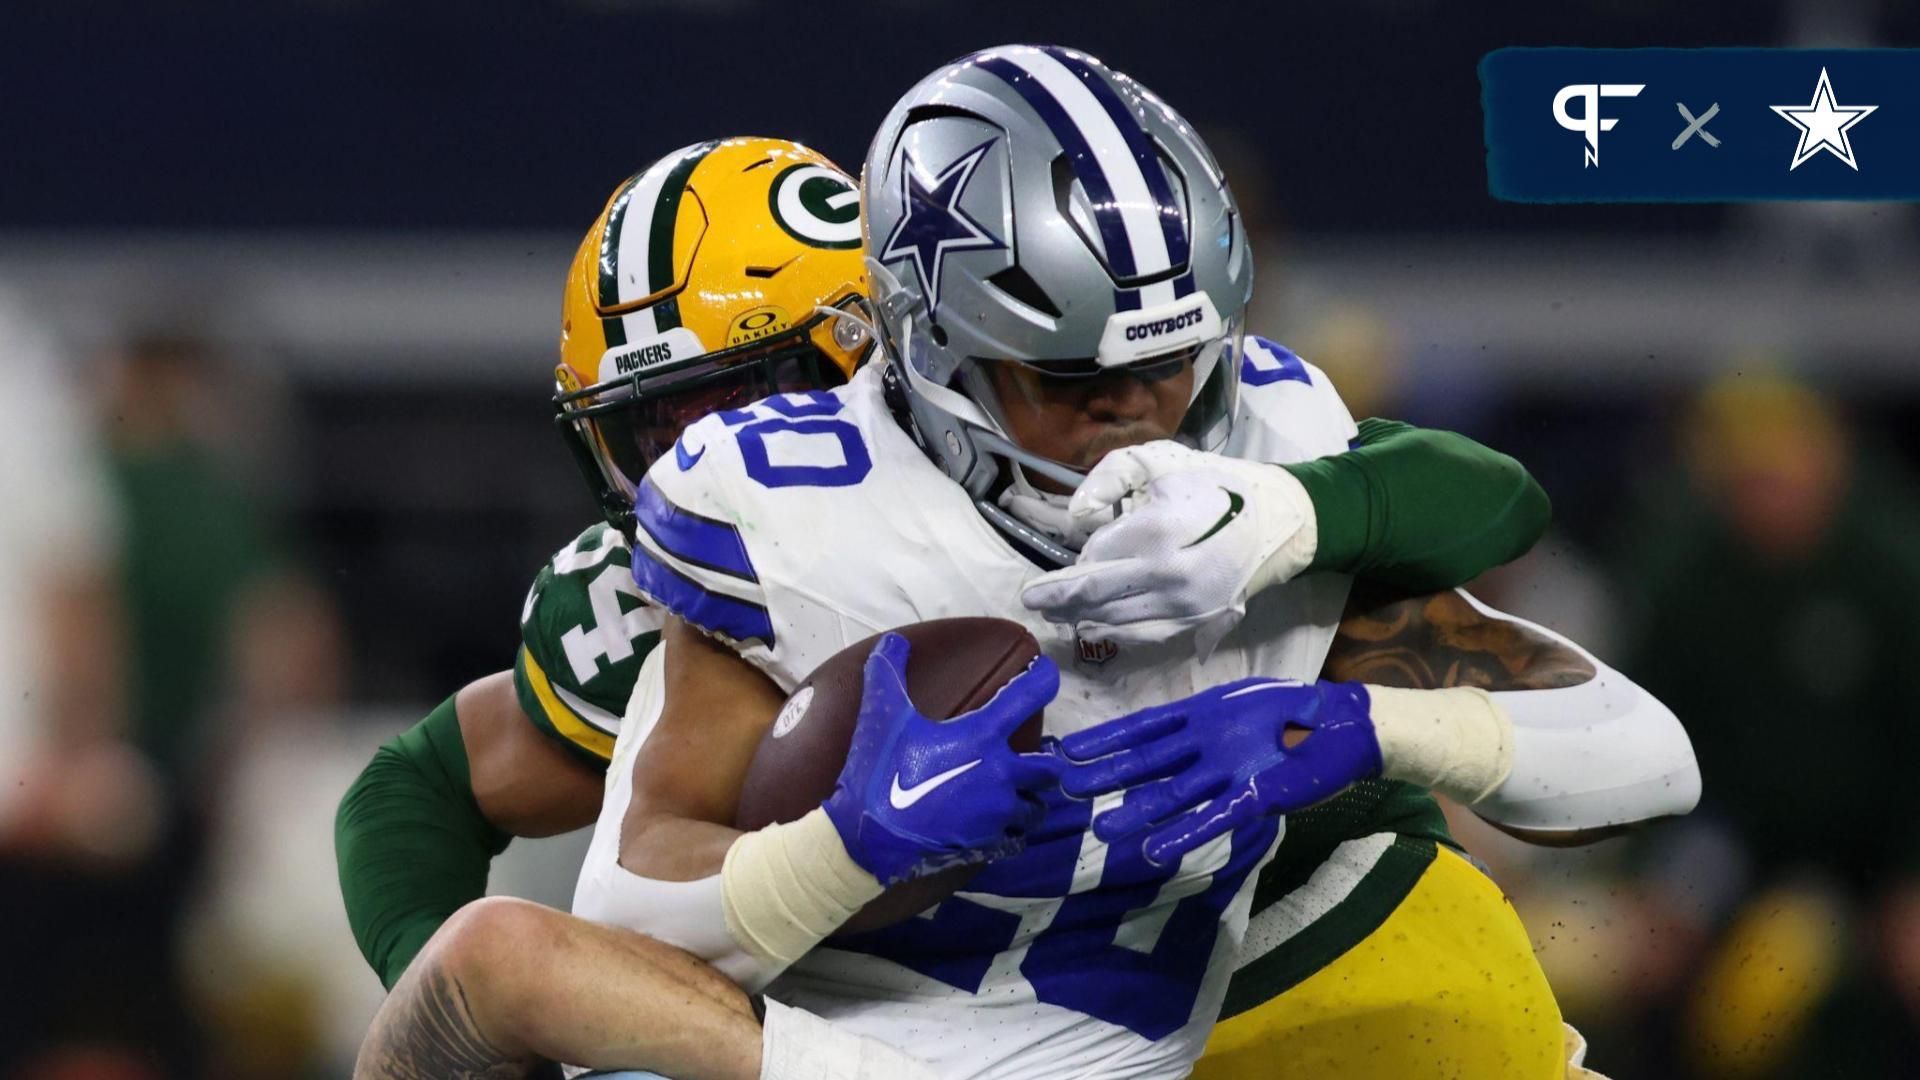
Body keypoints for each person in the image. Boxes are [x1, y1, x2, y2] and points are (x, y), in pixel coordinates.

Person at [347, 129, 1610, 1078]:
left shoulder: (1127, 497)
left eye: (738, 401)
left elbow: (1475, 500)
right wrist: (459, 1015)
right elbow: (419, 788)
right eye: (649, 428)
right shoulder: (678, 589)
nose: (696, 458)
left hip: (1300, 956)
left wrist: (1302, 531)